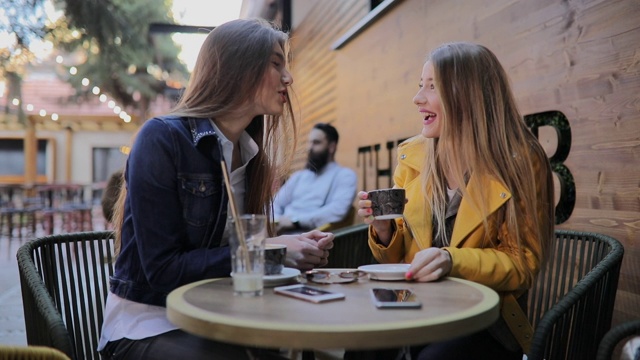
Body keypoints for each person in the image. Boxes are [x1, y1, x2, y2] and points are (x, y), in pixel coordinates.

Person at [98, 18, 335, 360]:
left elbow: (235, 260)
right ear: (237, 68)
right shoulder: (162, 139)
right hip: (149, 324)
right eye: (275, 64)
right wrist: (271, 250)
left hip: (221, 318)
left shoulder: (253, 156)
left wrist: (295, 250)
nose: (289, 78)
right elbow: (163, 269)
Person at [355, 42, 555, 360]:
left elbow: (523, 263)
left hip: (487, 321)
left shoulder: (521, 161)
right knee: (362, 346)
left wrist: (452, 261)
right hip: (416, 305)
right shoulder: (414, 155)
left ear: (468, 95)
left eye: (432, 87)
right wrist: (384, 231)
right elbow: (400, 257)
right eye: (420, 86)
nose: (417, 98)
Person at [273, 123, 357, 234]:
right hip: (280, 234)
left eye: (316, 143)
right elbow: (275, 203)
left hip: (313, 239)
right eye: (309, 142)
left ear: (332, 147)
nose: (309, 148)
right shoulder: (299, 177)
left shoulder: (344, 176)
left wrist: (295, 221)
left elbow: (337, 210)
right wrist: (277, 221)